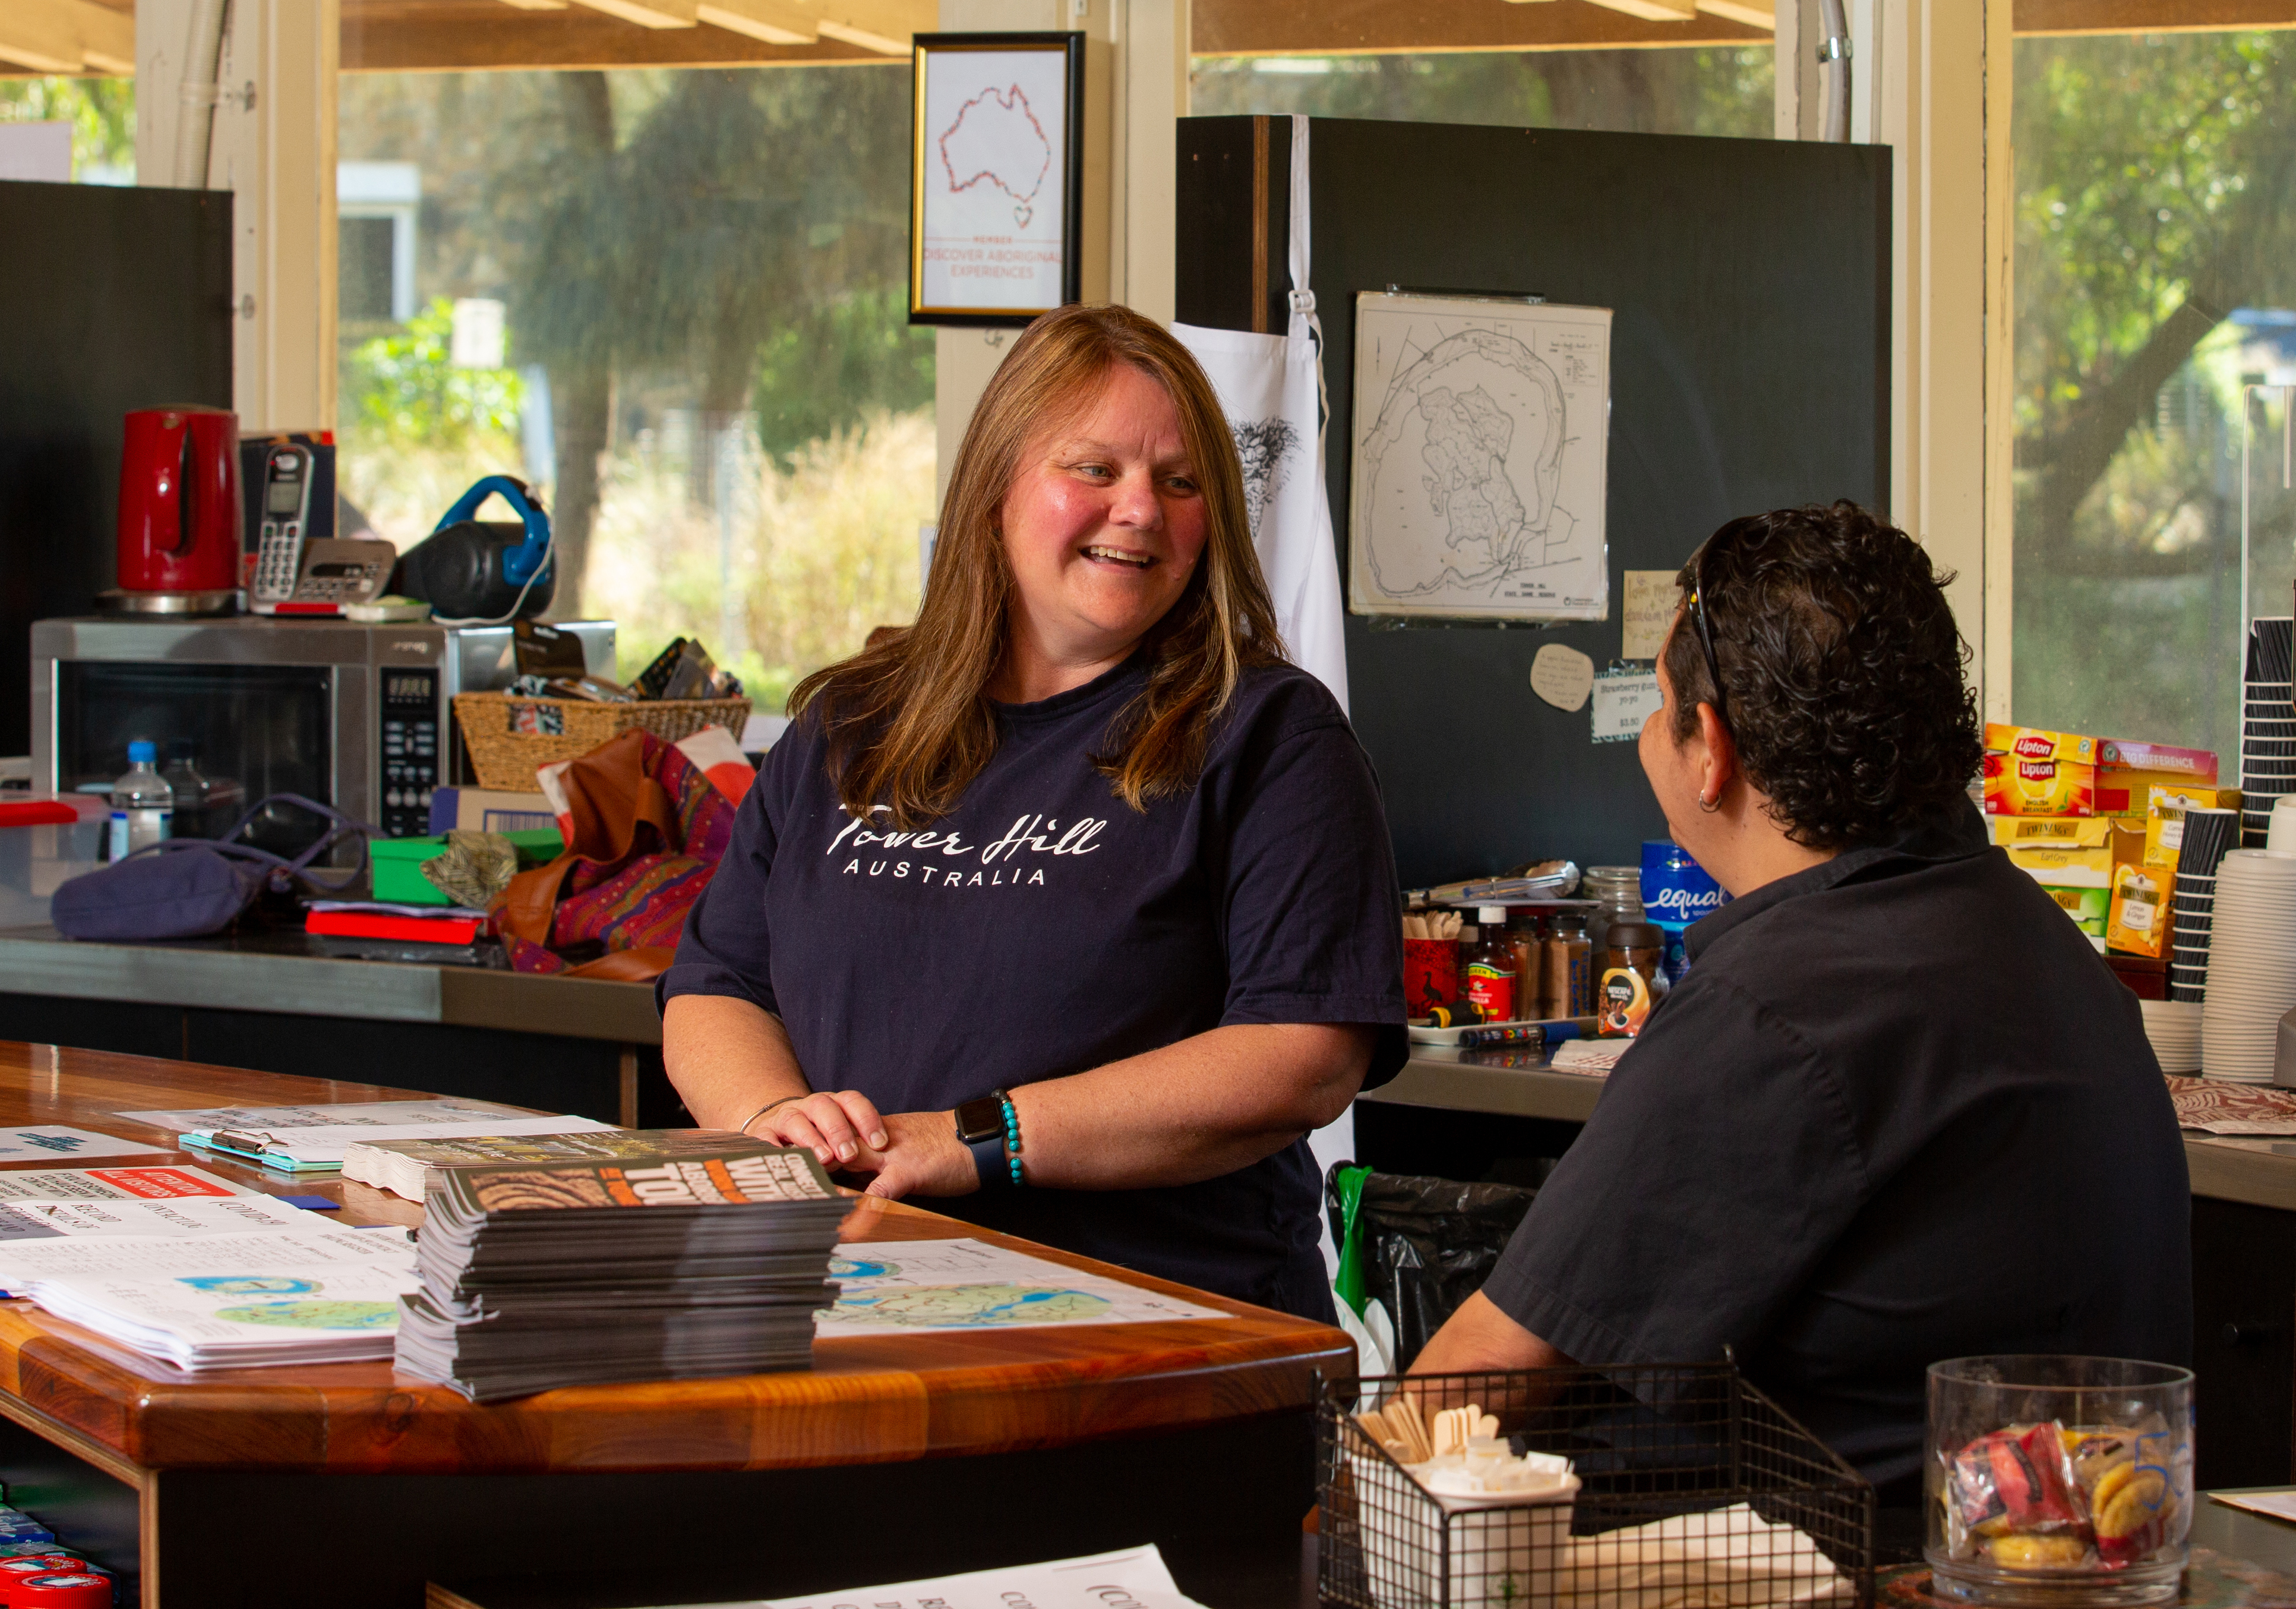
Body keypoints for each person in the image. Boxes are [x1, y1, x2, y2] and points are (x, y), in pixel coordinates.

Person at [1410, 501, 2190, 1500]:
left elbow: (1485, 1372)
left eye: (1657, 707)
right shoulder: (2038, 940)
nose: (1649, 736)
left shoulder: (1772, 1010)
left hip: (1825, 1569)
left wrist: (1328, 1515)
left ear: (1711, 750)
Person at [659, 304, 1406, 1320]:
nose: (1140, 509)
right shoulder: (855, 720)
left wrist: (975, 1140)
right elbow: (718, 983)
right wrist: (776, 1119)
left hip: (1156, 1344)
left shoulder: (1271, 738)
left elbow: (1302, 1056)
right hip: (851, 1310)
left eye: (1179, 483)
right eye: (1094, 469)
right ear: (995, 488)